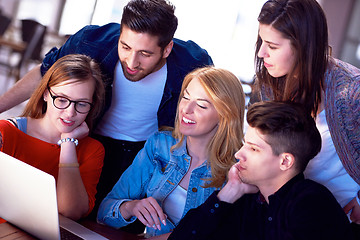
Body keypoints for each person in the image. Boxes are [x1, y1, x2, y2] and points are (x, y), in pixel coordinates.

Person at [0, 0, 213, 219]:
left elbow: (212, 111)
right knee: (70, 215)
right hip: (89, 140)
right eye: (125, 46)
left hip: (143, 156)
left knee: (120, 221)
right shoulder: (92, 42)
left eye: (145, 54)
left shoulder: (193, 63)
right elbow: (46, 73)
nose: (131, 61)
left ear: (167, 49)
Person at [168, 101, 354, 240]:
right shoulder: (247, 199)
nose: (239, 154)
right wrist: (229, 191)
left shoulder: (311, 203)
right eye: (244, 144)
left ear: (285, 161)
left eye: (254, 149)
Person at [97, 66, 245, 238]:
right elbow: (104, 213)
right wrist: (131, 207)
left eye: (201, 105)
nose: (186, 109)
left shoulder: (238, 170)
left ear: (225, 115)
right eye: (185, 97)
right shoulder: (159, 145)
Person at [251, 0, 360, 228]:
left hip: (335, 220)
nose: (261, 53)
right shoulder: (268, 85)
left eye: (272, 46)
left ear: (303, 46)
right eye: (261, 41)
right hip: (278, 214)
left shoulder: (351, 91)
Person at [0, 54, 105, 220]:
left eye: (82, 104)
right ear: (46, 94)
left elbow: (71, 212)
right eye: (62, 100)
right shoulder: (7, 132)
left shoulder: (93, 150)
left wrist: (68, 142)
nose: (70, 113)